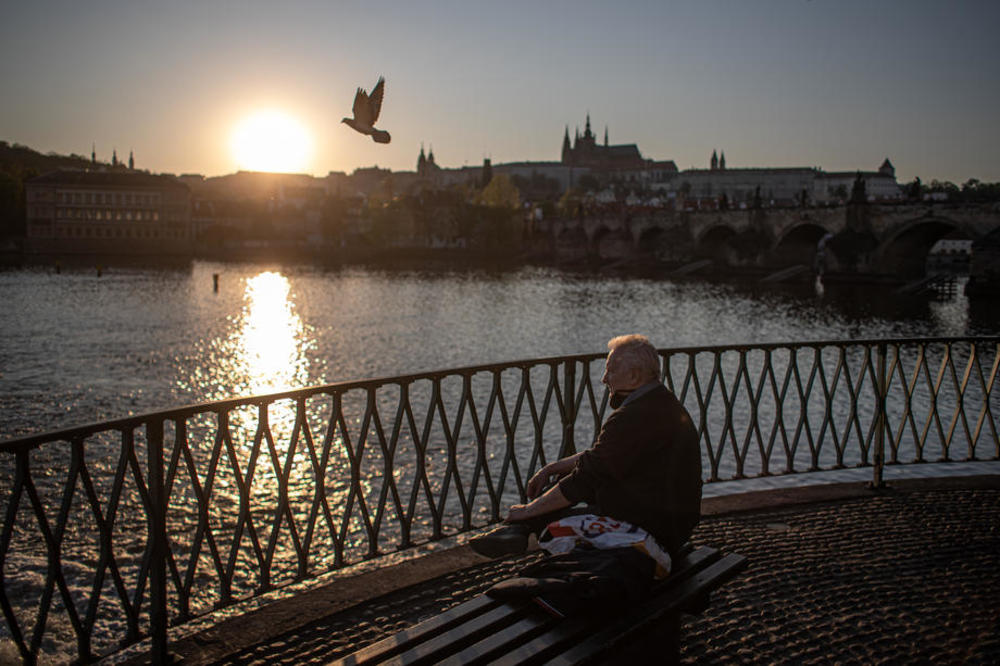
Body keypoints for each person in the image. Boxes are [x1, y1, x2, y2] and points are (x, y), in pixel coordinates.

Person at [469, 334, 702, 560]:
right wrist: (552, 468)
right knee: (567, 492)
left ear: (633, 376)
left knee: (556, 527)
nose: (604, 378)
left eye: (611, 370)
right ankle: (518, 530)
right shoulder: (661, 402)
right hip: (673, 520)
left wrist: (528, 510)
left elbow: (585, 478)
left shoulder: (633, 416)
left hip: (654, 528)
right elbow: (601, 457)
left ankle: (522, 531)